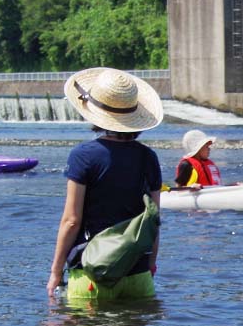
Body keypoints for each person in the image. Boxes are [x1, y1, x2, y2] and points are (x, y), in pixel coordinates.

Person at [47, 67, 163, 301]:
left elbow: (71, 221)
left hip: (92, 273)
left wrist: (56, 272)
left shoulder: (83, 155)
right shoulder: (148, 157)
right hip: (138, 274)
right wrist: (150, 265)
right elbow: (154, 220)